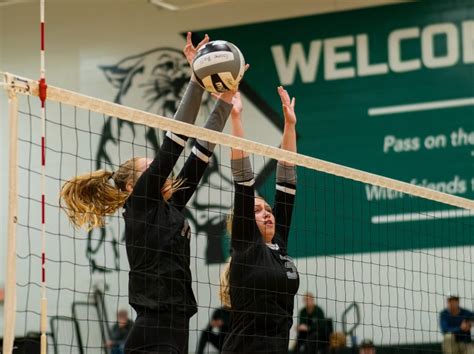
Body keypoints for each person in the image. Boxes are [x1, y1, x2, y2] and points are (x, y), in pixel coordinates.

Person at [61, 32, 238, 354]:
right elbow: (177, 138)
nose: (163, 171)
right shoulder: (141, 204)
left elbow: (201, 152)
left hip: (175, 318)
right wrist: (197, 78)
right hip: (157, 320)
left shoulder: (171, 208)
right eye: (151, 169)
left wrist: (225, 102)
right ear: (133, 187)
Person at [220, 87, 299, 353]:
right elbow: (242, 177)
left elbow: (287, 179)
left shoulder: (279, 245)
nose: (266, 212)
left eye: (267, 208)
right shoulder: (246, 246)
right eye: (256, 210)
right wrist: (236, 118)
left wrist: (289, 126)